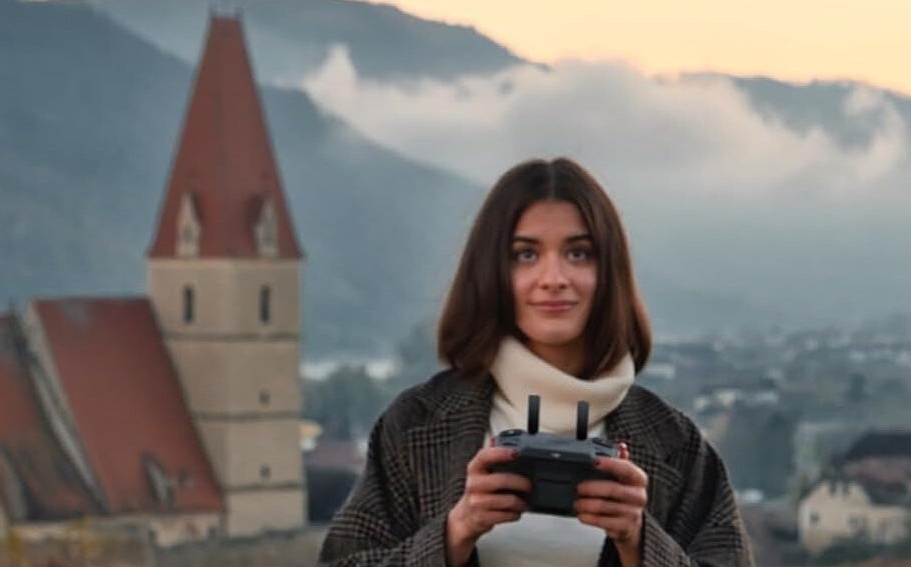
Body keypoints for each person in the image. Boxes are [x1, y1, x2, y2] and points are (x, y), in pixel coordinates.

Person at [319, 158, 754, 567]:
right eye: (526, 254)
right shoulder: (417, 425)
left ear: (609, 273)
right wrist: (456, 531)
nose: (553, 279)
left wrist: (639, 540)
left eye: (579, 253)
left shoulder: (673, 443)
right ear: (491, 273)